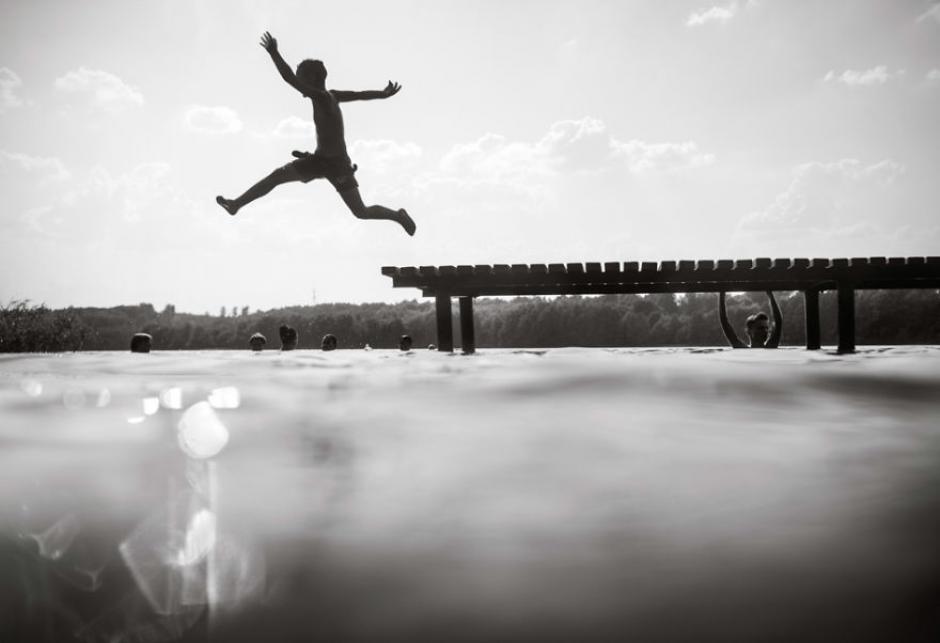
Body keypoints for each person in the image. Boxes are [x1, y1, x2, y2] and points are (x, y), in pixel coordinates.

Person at [216, 32, 416, 236]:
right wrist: (382, 94)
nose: (299, 82)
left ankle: (398, 215)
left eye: (301, 77)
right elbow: (359, 95)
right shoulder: (332, 96)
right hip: (318, 160)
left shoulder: (322, 97)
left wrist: (274, 53)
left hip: (338, 165)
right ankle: (236, 204)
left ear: (311, 79)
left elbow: (288, 78)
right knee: (276, 176)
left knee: (360, 211)